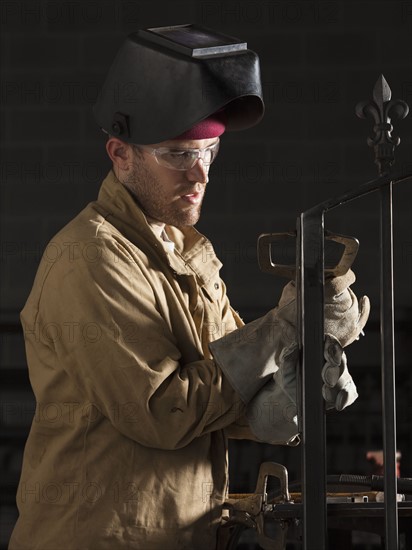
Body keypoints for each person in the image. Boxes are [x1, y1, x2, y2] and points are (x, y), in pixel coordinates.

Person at [9, 24, 369, 550]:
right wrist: (286, 325)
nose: (199, 174)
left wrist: (295, 387)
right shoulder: (91, 258)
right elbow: (165, 413)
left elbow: (232, 395)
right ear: (120, 153)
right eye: (177, 154)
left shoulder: (187, 251)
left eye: (209, 152)